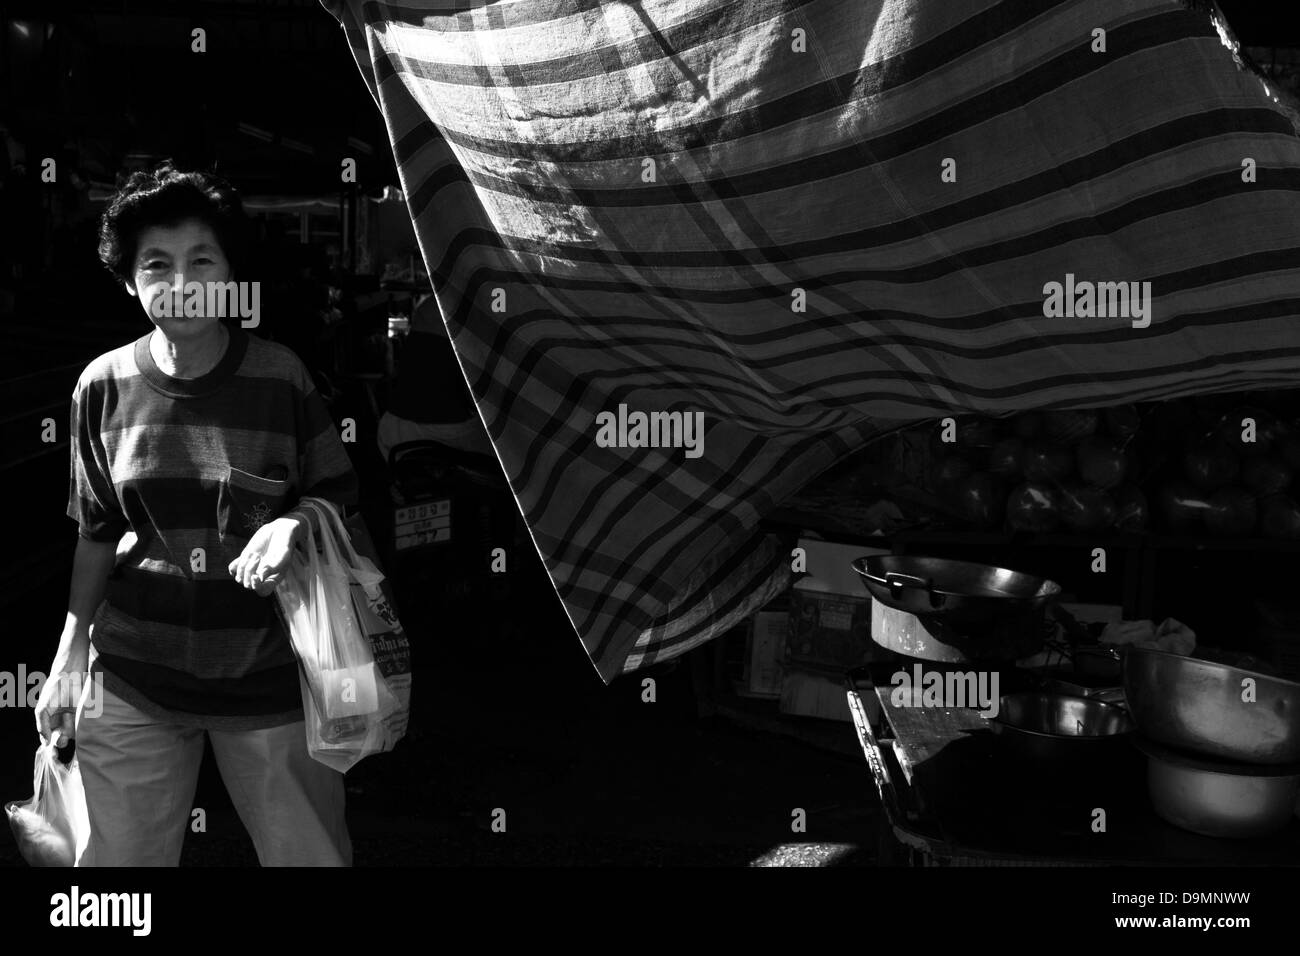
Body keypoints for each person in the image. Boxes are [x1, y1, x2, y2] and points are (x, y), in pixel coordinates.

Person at [35, 161, 358, 866]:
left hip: (270, 678)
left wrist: (293, 523)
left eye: (202, 259)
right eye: (157, 264)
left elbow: (340, 497)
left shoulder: (281, 378)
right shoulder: (102, 386)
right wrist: (68, 654)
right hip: (133, 676)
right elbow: (94, 532)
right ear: (129, 281)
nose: (181, 282)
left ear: (232, 272)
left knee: (308, 857)